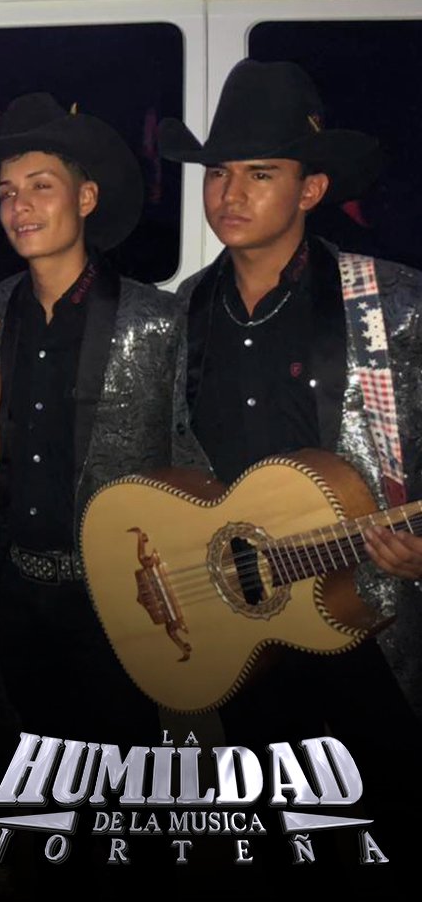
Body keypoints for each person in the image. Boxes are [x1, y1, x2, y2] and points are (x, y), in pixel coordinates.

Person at [160, 58, 422, 896]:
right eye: (219, 172)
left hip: (369, 613)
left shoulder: (391, 302)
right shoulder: (184, 313)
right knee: (274, 837)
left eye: (260, 173)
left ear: (311, 189)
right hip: (249, 625)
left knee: (388, 828)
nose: (229, 193)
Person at [0, 93, 177, 885]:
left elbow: (188, 460)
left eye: (40, 186)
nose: (19, 206)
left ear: (85, 198)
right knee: (29, 788)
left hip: (116, 601)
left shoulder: (157, 321)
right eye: (7, 192)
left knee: (126, 798)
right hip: (14, 592)